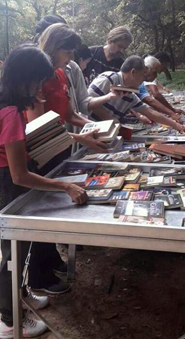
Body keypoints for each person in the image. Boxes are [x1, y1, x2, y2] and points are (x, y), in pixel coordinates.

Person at [0, 46, 88, 338]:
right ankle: (10, 319)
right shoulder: (11, 112)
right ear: (25, 78)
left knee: (18, 249)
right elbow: (19, 174)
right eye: (38, 81)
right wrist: (64, 186)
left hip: (7, 183)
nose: (40, 88)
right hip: (7, 188)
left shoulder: (8, 104)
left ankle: (20, 295)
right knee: (12, 254)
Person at [27, 23, 113, 156]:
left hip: (61, 144)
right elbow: (39, 130)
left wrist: (100, 127)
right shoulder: (35, 79)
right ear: (52, 49)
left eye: (73, 52)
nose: (72, 58)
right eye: (67, 53)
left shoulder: (61, 74)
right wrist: (80, 139)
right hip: (40, 152)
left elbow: (70, 115)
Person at [88, 56, 185, 133]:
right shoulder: (108, 78)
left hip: (104, 132)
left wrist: (175, 125)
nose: (144, 78)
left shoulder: (130, 92)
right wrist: (109, 118)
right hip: (89, 129)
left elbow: (148, 112)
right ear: (133, 72)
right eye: (143, 74)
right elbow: (87, 102)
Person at [137, 56, 184, 121]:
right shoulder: (135, 82)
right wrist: (172, 112)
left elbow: (145, 101)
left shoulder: (140, 83)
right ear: (146, 69)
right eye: (155, 72)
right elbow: (152, 98)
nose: (156, 75)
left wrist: (171, 113)